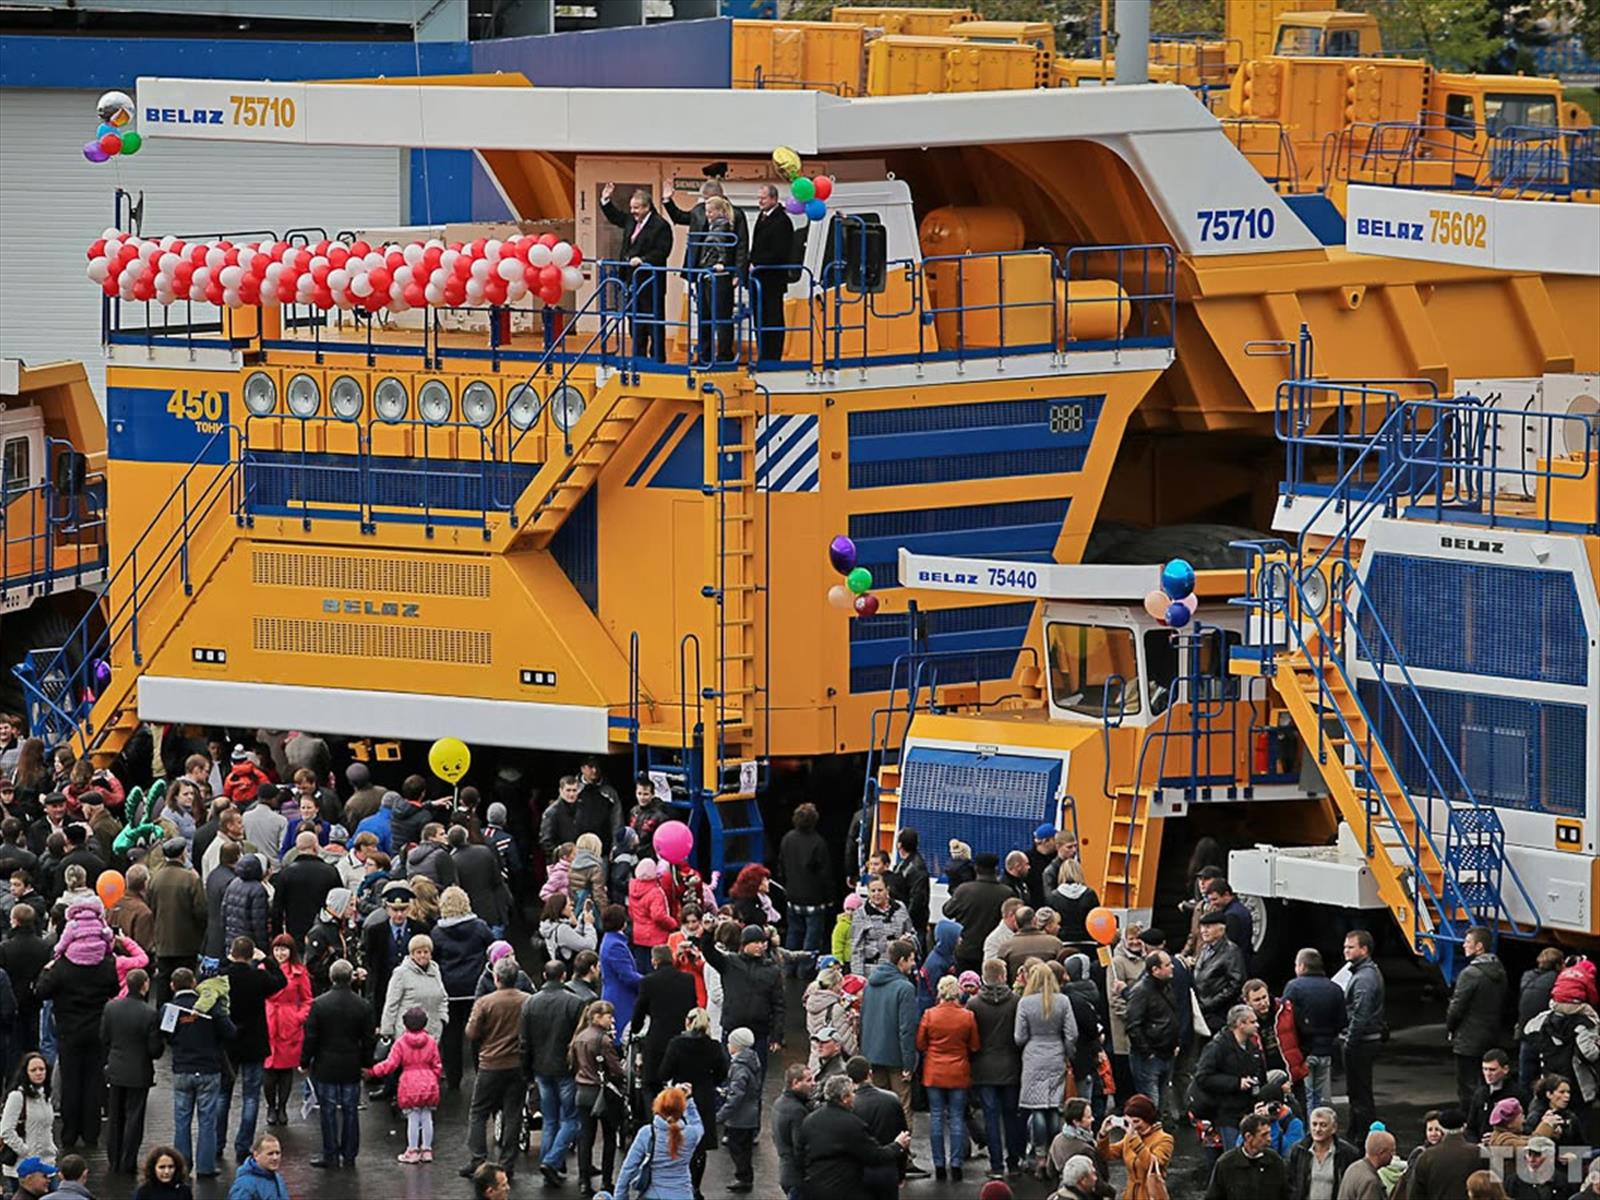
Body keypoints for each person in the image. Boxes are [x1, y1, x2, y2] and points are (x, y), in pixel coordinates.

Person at [33, 915, 117, 1153]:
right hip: (97, 1030)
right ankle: (91, 1133)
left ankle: (69, 1134)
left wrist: (46, 971)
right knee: (94, 1081)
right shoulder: (106, 962)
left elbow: (42, 991)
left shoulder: (62, 966)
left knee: (70, 1082)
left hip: (69, 1031)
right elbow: (113, 989)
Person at [217, 937, 285, 1165]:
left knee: (223, 1094)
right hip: (254, 1042)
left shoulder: (224, 976)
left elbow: (207, 974)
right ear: (250, 955)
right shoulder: (259, 977)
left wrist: (226, 960)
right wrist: (266, 959)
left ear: (232, 953)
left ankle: (217, 1143)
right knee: (250, 1096)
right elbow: (281, 981)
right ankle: (243, 1145)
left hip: (228, 1042)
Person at [164, 965, 236, 1179]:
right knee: (207, 1120)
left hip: (183, 1070)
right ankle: (206, 1167)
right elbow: (230, 1032)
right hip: (208, 1070)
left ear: (172, 986)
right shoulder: (210, 1006)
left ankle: (182, 1166)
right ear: (194, 984)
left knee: (182, 1120)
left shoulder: (170, 1009)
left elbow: (167, 1037)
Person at [460, 955, 529, 1182]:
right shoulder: (527, 1000)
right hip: (517, 1064)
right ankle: (507, 1163)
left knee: (479, 1111)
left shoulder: (485, 1002)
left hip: (491, 1063)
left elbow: (471, 1033)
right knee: (513, 1112)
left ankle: (478, 1160)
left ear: (496, 978)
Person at [301, 958, 374, 1170]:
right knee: (351, 1110)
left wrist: (305, 1061)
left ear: (332, 977)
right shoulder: (363, 1005)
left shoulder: (319, 1004)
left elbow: (311, 1037)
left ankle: (330, 1153)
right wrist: (367, 1063)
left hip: (326, 1064)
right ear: (351, 977)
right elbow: (368, 1038)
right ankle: (350, 1154)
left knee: (328, 1110)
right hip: (351, 1063)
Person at [523, 961, 587, 1187]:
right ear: (564, 976)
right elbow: (580, 1039)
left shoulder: (530, 1003)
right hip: (566, 1069)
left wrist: (527, 1072)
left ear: (544, 975)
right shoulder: (575, 1003)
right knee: (570, 1119)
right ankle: (551, 1162)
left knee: (549, 1120)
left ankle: (548, 1164)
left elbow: (525, 1042)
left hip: (541, 1068)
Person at [799, 1073, 913, 1200]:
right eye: (852, 1093)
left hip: (816, 1188)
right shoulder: (852, 1124)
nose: (855, 1096)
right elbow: (875, 1156)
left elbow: (801, 1153)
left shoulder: (809, 1120)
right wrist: (897, 1145)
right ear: (845, 1098)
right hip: (844, 1189)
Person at [657, 1008, 728, 1197]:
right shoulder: (713, 1046)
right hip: (704, 1095)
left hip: (681, 1096)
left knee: (679, 1142)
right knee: (699, 1146)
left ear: (687, 1022)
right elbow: (722, 1073)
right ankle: (695, 1187)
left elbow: (664, 1072)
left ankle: (680, 1183)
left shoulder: (676, 1044)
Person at [917, 972, 980, 1182]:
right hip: (959, 1071)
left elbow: (920, 1043)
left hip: (934, 1071)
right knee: (956, 1117)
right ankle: (956, 1164)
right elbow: (974, 1045)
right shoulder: (967, 1016)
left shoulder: (929, 1014)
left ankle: (939, 1164)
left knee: (936, 1117)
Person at [1015, 959, 1077, 1169]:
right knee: (1053, 1106)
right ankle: (1052, 1151)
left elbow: (1019, 1037)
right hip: (1056, 1053)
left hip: (1034, 1056)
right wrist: (1069, 1053)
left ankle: (1040, 1153)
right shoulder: (1063, 1001)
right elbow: (1072, 1033)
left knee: (1037, 1107)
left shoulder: (1025, 1003)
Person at [101, 966, 164, 1174]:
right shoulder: (150, 1013)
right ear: (145, 986)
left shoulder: (111, 1008)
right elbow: (154, 1050)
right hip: (139, 1072)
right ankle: (128, 1161)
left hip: (116, 1069)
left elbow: (104, 1037)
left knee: (115, 1117)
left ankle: (113, 1159)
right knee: (134, 1119)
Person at [600, 183, 674, 361]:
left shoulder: (660, 225)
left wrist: (643, 260)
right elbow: (616, 217)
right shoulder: (631, 221)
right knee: (634, 322)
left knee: (653, 322)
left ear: (647, 207)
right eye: (631, 208)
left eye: (636, 208)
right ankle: (639, 357)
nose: (633, 211)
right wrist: (606, 200)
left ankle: (657, 358)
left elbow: (663, 250)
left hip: (650, 282)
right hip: (630, 280)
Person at [700, 922, 785, 1070]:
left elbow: (778, 1004)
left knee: (756, 1075)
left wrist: (777, 1035)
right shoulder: (730, 962)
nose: (760, 946)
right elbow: (709, 953)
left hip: (758, 1032)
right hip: (733, 1028)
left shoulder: (772, 970)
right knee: (728, 1074)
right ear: (745, 943)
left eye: (762, 942)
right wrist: (708, 933)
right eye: (755, 942)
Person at [969, 956, 1025, 1180]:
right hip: (1011, 1066)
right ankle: (1014, 1162)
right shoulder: (1015, 1001)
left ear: (984, 977)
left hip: (984, 1069)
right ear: (1003, 976)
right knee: (1011, 1116)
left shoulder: (973, 1004)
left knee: (990, 1118)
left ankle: (996, 1164)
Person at [366, 1005, 442, 1164]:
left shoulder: (401, 1043)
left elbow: (390, 1064)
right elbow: (437, 1064)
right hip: (428, 1081)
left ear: (405, 1024)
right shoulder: (431, 1042)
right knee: (427, 1116)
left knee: (413, 1118)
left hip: (409, 1083)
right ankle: (427, 1150)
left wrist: (373, 1071)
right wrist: (433, 1079)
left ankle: (412, 1150)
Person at [860, 936, 918, 1132]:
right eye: (911, 959)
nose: (913, 963)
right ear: (901, 960)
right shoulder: (905, 988)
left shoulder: (869, 985)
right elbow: (907, 1029)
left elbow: (863, 1019)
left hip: (871, 1054)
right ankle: (904, 1155)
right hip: (896, 1058)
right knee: (902, 1107)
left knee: (877, 1108)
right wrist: (909, 1063)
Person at [1448, 926, 1509, 1110]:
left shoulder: (1470, 974)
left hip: (1468, 1038)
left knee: (1467, 1086)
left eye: (1468, 942)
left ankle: (1471, 1124)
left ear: (1479, 947)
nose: (1464, 945)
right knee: (1487, 1083)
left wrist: (1451, 1027)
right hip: (1491, 1034)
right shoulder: (1500, 970)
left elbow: (1457, 1007)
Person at [1281, 948, 1345, 1117]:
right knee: (1322, 1098)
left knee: (1306, 1097)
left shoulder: (1294, 987)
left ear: (1302, 966)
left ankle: (1310, 1133)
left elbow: (1285, 1021)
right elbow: (1342, 1021)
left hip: (1304, 1053)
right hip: (1326, 1051)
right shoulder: (1335, 988)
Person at [572, 998, 625, 1196]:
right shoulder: (603, 1040)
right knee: (609, 1138)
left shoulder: (579, 1037)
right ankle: (606, 1182)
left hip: (582, 1091)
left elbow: (574, 1064)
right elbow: (616, 1070)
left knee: (585, 1137)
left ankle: (584, 1181)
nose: (611, 1020)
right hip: (601, 1093)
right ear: (597, 1017)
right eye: (608, 1016)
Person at [145, 839, 207, 1008]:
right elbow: (201, 911)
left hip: (163, 941)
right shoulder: (191, 878)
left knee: (164, 982)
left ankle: (163, 1019)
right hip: (187, 941)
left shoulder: (155, 878)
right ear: (182, 854)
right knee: (186, 982)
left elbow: (150, 905)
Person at [615, 1084, 703, 1200]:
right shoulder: (690, 1134)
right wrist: (688, 1099)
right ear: (681, 1109)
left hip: (652, 1194)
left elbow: (628, 1169)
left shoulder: (647, 1133)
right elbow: (697, 1123)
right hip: (682, 1194)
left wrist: (620, 1196)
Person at [635, 943, 699, 1095]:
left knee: (651, 1083)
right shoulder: (688, 979)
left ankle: (657, 1116)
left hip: (657, 1038)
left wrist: (635, 1029)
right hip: (681, 1036)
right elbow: (692, 1007)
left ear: (654, 961)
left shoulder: (648, 981)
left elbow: (640, 1010)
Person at [1340, 929, 1385, 1144]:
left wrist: (1349, 1042)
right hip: (1366, 1039)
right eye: (1345, 947)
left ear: (1364, 949)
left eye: (1351, 947)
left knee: (1360, 1094)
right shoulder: (1364, 973)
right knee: (1359, 1093)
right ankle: (1357, 1134)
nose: (1346, 951)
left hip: (1362, 1042)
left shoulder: (1364, 978)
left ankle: (1363, 1138)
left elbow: (1361, 1013)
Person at [1127, 949, 1184, 1116]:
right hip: (1150, 1056)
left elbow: (1173, 1015)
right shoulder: (1141, 991)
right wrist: (1147, 1052)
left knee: (1162, 1101)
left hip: (1167, 1052)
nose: (1172, 967)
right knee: (1150, 1104)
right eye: (1167, 965)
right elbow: (1133, 1025)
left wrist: (1176, 1042)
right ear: (1155, 970)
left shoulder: (1166, 986)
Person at [260, 935, 309, 1128]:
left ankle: (282, 1107)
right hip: (269, 1019)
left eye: (284, 949)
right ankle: (271, 1107)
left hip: (289, 1022)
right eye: (277, 949)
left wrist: (299, 1018)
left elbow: (307, 999)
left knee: (286, 1070)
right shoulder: (263, 969)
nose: (280, 953)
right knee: (269, 1069)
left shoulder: (299, 972)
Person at [747, 182, 797, 362]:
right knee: (759, 318)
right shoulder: (762, 217)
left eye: (763, 198)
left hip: (772, 279)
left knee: (772, 317)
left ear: (774, 199)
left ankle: (772, 356)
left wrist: (758, 263)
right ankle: (763, 354)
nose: (760, 201)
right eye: (759, 198)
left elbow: (779, 251)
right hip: (758, 278)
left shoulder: (782, 221)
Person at [944, 853, 1014, 973]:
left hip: (966, 950)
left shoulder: (964, 890)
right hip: (994, 950)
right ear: (996, 869)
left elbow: (947, 911)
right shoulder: (1006, 893)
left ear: (976, 868)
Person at [1096, 1093, 1173, 1200]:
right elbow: (1106, 1154)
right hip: (1130, 1195)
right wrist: (1103, 1134)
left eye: (1136, 1121)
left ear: (1148, 1119)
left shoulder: (1164, 1139)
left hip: (1150, 1195)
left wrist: (1134, 1139)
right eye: (1129, 1121)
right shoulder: (1130, 1137)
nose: (1133, 1126)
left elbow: (1152, 1165)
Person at [269, 832, 339, 943]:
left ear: (297, 847)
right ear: (316, 847)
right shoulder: (330, 872)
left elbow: (277, 909)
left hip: (295, 932)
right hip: (324, 932)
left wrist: (277, 937)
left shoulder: (285, 874)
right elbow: (338, 903)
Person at [1205, 1110, 1289, 1200]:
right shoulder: (1226, 1164)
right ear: (1248, 1137)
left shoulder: (1274, 1160)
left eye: (1269, 1133)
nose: (1269, 1139)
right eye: (1264, 1135)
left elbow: (1286, 1193)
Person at [719, 1026, 764, 1193]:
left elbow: (736, 1096)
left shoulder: (738, 1067)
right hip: (750, 1115)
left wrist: (720, 1115)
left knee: (736, 1148)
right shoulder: (752, 1060)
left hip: (739, 1118)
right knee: (745, 1149)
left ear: (737, 1046)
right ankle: (745, 1177)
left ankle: (743, 1177)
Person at [0, 1055, 55, 1187]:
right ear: (26, 1072)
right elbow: (6, 1130)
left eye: (42, 1069)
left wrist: (52, 1148)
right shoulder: (17, 1096)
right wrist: (26, 1151)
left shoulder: (45, 1096)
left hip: (47, 1163)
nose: (38, 1073)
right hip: (22, 1167)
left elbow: (47, 1127)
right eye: (34, 1070)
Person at [1407, 1107, 1481, 1200]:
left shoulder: (1426, 1156)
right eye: (1430, 1129)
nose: (1433, 1133)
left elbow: (1416, 1194)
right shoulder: (1478, 1153)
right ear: (1464, 1127)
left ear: (1442, 1127)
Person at [1287, 1106, 1360, 1200]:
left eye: (1323, 1125)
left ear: (1334, 1128)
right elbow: (1291, 1184)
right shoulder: (1299, 1151)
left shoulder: (1348, 1153)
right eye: (1314, 1124)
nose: (1317, 1129)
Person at [1193, 911, 1247, 1036]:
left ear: (1221, 929)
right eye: (1202, 927)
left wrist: (1211, 1003)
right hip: (1202, 1009)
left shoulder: (1231, 951)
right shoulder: (1204, 948)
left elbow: (1236, 983)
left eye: (1208, 927)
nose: (1203, 931)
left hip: (1218, 1012)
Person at [1516, 948, 1563, 1087]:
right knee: (1550, 1078)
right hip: (1545, 1035)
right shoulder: (1557, 980)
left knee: (1526, 1076)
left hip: (1526, 1032)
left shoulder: (1527, 977)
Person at [851, 876, 915, 972]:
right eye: (873, 891)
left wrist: (907, 940)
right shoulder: (860, 914)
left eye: (880, 890)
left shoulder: (900, 907)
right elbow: (856, 949)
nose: (877, 894)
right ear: (868, 892)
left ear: (887, 890)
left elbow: (911, 932)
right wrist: (858, 977)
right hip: (873, 969)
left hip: (898, 968)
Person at [1467, 1048, 1529, 1143]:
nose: (1488, 1074)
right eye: (1485, 1069)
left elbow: (1526, 1125)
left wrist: (1498, 1137)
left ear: (1505, 1069)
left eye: (1492, 1070)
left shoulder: (1518, 1095)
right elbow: (1471, 1127)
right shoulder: (1480, 1094)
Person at [1046, 857, 1100, 947]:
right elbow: (1098, 920)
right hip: (1088, 941)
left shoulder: (1053, 897)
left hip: (1063, 942)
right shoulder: (1090, 894)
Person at [1336, 1129, 1396, 1200]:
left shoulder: (1353, 1167)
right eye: (1392, 1151)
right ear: (1381, 1153)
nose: (1394, 1155)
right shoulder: (1370, 1182)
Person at [225, 1133, 288, 1200]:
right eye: (270, 1154)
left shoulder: (277, 1178)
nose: (275, 1158)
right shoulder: (244, 1186)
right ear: (256, 1155)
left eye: (277, 1153)